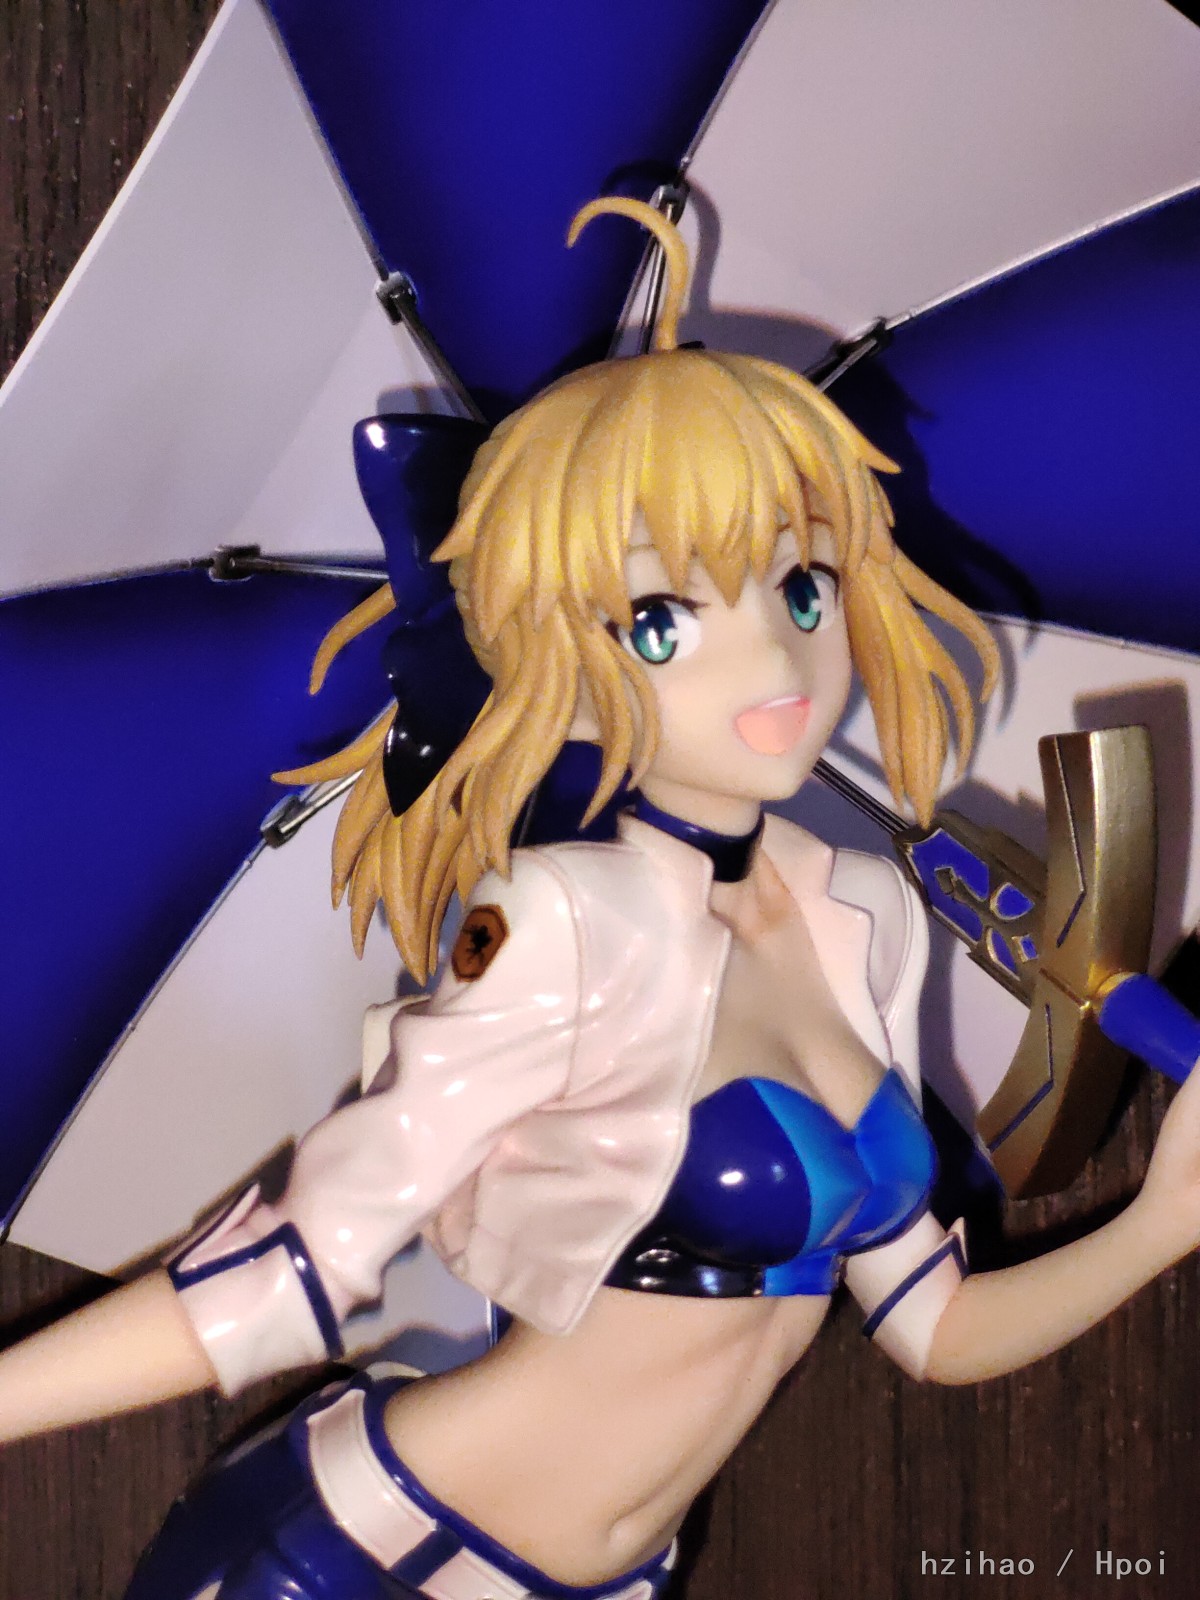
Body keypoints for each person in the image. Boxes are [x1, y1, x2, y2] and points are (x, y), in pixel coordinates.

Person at [4, 198, 1200, 1600]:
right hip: (354, 1556)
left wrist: (1164, 1221)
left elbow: (933, 1331)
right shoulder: (564, 924)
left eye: (800, 586)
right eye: (661, 621)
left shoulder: (865, 915)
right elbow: (295, 1267)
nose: (772, 661)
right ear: (555, 668)